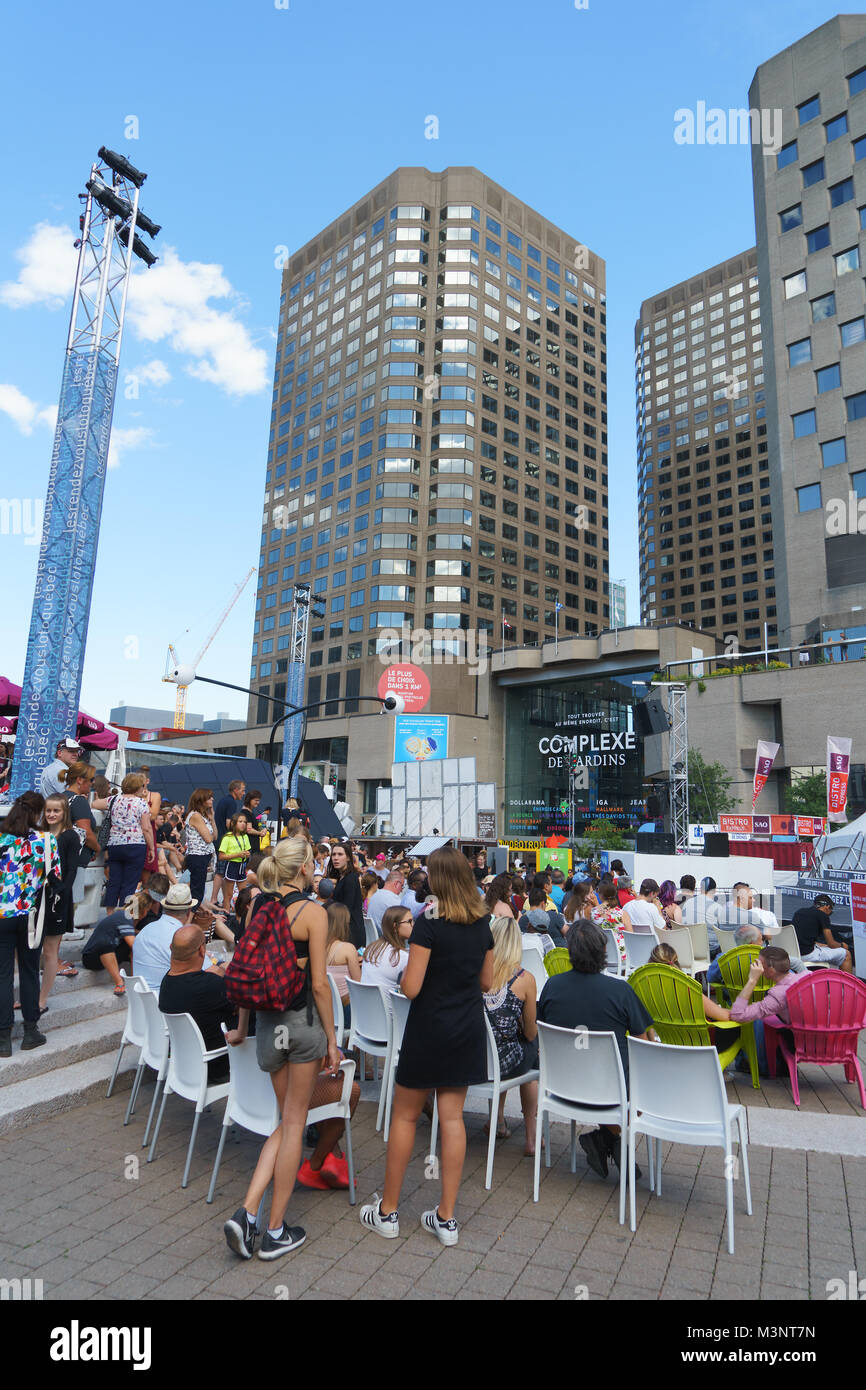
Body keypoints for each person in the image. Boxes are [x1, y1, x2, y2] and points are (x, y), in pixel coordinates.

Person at [359, 845, 494, 1247]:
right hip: (466, 1027)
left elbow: (412, 986)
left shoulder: (428, 923)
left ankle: (387, 1212)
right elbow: (486, 983)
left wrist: (408, 979)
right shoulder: (482, 923)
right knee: (452, 1120)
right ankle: (447, 1219)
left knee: (404, 1117)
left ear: (438, 878)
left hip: (429, 1027)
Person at [223, 837, 341, 1261]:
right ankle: (273, 1230)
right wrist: (332, 1039)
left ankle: (248, 1212)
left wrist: (240, 1026)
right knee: (295, 1122)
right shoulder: (313, 913)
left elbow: (246, 964)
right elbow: (320, 985)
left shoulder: (259, 907)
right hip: (301, 1024)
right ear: (306, 868)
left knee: (284, 1121)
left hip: (268, 1024)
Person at [537, 919, 655, 1179]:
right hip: (611, 1092)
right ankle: (607, 1139)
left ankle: (604, 1140)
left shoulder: (552, 986)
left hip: (561, 1087)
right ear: (603, 951)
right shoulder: (620, 991)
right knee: (642, 1081)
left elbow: (541, 1032)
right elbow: (644, 1047)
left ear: (570, 951)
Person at [0, 792, 59, 1056]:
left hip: (2, 915)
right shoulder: (46, 841)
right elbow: (55, 877)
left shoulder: (1, 839)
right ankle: (31, 1030)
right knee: (28, 970)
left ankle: (3, 1039)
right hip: (33, 917)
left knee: (2, 975)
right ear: (37, 814)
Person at [483, 916, 539, 1155]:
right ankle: (532, 1138)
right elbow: (529, 1031)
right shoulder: (524, 979)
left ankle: (497, 1121)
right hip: (504, 1063)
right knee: (531, 1048)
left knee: (497, 1042)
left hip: (474, 1058)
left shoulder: (473, 972)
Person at [159, 924, 237, 1082]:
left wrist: (215, 973)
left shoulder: (167, 981)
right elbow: (240, 1006)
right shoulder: (210, 986)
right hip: (218, 1065)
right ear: (202, 951)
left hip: (184, 1064)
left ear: (171, 949)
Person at [37, 795, 81, 1012]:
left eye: (56, 811)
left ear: (64, 813)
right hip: (38, 897)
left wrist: (63, 889)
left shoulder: (70, 836)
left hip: (58, 898)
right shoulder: (39, 834)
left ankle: (41, 1000)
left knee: (50, 950)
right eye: (48, 811)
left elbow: (72, 868)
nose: (52, 815)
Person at [648, 942, 733, 1024]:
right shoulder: (686, 990)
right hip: (701, 1037)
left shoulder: (644, 990)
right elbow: (724, 1016)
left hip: (667, 1036)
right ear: (676, 962)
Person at [104, 773, 154, 910]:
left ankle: (109, 913)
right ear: (139, 787)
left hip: (114, 844)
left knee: (114, 881)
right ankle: (125, 914)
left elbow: (95, 803)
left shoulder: (114, 800)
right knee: (130, 883)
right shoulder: (141, 803)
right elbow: (146, 828)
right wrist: (152, 848)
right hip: (135, 844)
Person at [132, 878, 189, 993]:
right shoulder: (135, 901)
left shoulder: (165, 905)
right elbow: (127, 927)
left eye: (159, 898)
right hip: (137, 940)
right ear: (147, 890)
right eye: (154, 897)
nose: (156, 901)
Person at [80, 900, 138, 995]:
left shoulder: (125, 917)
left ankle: (134, 978)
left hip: (111, 953)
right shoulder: (124, 916)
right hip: (91, 958)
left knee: (130, 946)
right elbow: (134, 945)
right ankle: (119, 982)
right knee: (106, 944)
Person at [63, 760, 99, 910]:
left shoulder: (59, 797)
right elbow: (86, 832)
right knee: (73, 899)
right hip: (76, 857)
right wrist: (97, 848)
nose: (92, 784)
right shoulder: (79, 801)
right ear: (79, 780)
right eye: (90, 780)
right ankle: (68, 930)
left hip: (59, 854)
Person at [792, 893, 852, 971]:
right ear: (827, 907)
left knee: (823, 947)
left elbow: (801, 938)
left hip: (793, 952)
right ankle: (847, 983)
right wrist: (842, 945)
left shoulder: (799, 912)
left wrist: (821, 945)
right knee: (846, 954)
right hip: (807, 954)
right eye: (831, 911)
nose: (829, 914)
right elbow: (831, 944)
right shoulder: (823, 916)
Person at [211, 780, 246, 907]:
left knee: (222, 871)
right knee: (221, 871)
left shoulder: (224, 800)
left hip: (220, 839)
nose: (243, 793)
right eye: (242, 790)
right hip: (224, 841)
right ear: (235, 790)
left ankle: (220, 899)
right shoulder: (231, 802)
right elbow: (228, 823)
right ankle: (214, 899)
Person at [361, 905, 412, 991]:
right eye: (409, 921)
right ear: (395, 926)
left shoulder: (372, 948)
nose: (413, 925)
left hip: (363, 1003)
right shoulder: (401, 957)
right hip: (387, 1004)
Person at [184, 789, 218, 909]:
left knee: (198, 889)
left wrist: (212, 819)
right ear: (201, 800)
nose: (212, 799)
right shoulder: (196, 815)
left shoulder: (202, 816)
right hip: (197, 856)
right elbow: (209, 839)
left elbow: (215, 836)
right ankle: (189, 920)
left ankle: (192, 916)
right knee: (197, 892)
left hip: (202, 857)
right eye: (209, 798)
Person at [327, 842, 365, 951]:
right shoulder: (342, 877)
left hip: (351, 933)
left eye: (340, 854)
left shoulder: (351, 878)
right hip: (345, 930)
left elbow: (346, 908)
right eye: (333, 855)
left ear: (348, 857)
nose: (336, 858)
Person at [325, 900, 361, 1009]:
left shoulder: (318, 946)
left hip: (327, 1006)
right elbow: (358, 984)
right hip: (345, 1006)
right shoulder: (348, 948)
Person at [591, 883, 633, 972]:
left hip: (599, 954)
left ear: (601, 895)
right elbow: (630, 936)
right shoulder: (622, 914)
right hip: (621, 956)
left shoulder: (593, 913)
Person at [217, 812, 252, 911]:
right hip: (231, 865)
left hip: (242, 865)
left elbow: (248, 850)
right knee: (229, 894)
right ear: (233, 823)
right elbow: (221, 856)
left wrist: (247, 854)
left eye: (245, 822)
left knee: (244, 894)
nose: (243, 824)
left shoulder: (245, 836)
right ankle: (227, 915)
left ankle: (241, 915)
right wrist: (237, 855)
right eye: (240, 821)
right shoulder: (227, 837)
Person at [137, 767, 161, 886]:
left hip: (149, 836)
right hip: (135, 835)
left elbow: (153, 815)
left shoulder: (155, 795)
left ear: (147, 781)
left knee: (148, 873)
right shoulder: (131, 795)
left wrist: (142, 799)